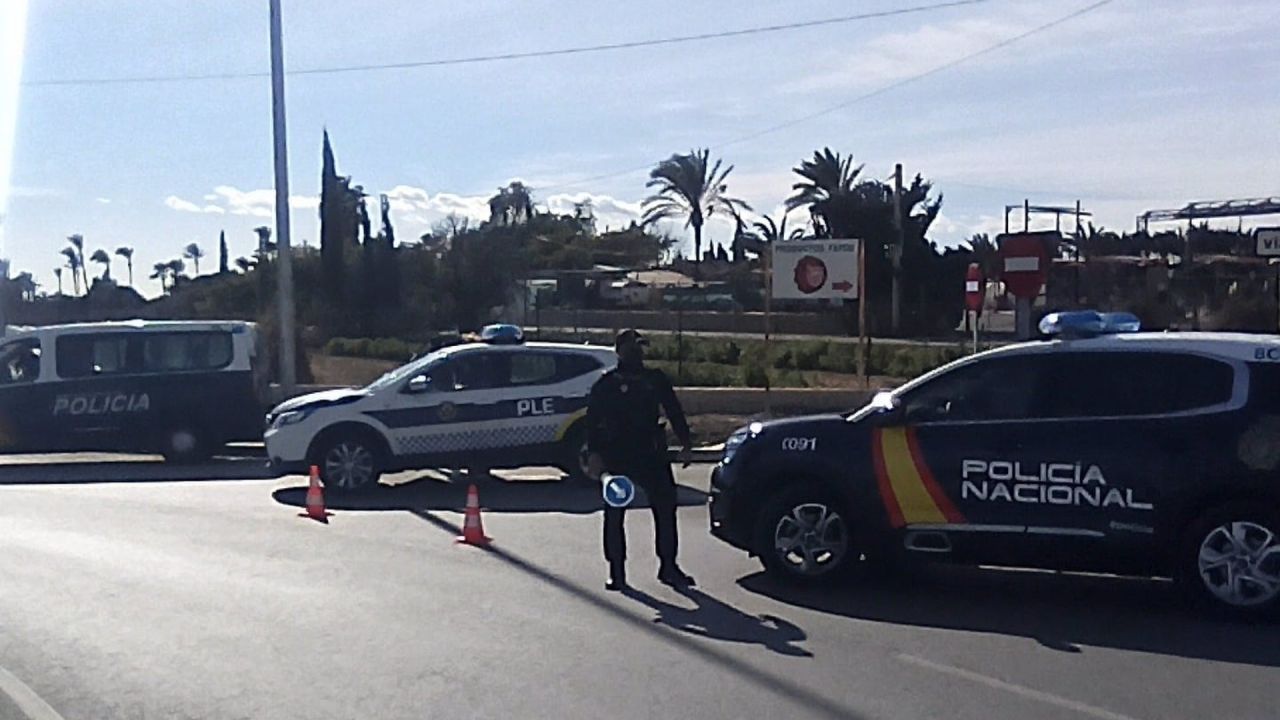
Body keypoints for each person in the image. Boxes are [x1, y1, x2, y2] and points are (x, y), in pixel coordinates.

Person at [586, 329, 694, 591]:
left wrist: (686, 442)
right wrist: (594, 454)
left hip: (651, 454)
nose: (637, 353)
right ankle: (616, 572)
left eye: (639, 348)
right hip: (618, 455)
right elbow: (593, 421)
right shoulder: (606, 383)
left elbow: (674, 410)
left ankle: (668, 566)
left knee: (665, 509)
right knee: (614, 514)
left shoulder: (654, 379)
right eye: (632, 348)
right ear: (619, 351)